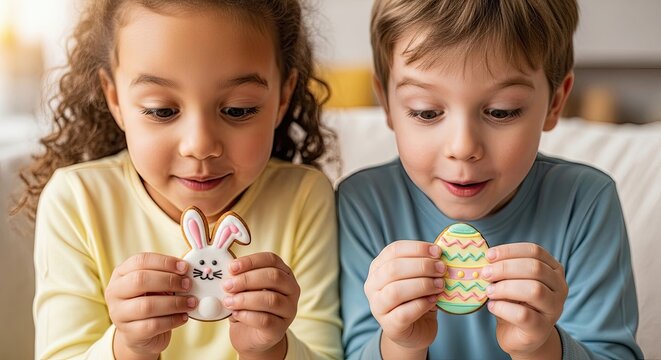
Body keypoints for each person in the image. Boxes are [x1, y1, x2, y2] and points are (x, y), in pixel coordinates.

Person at [19, 0, 342, 358]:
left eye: (238, 109)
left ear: (282, 96)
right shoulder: (76, 201)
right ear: (115, 99)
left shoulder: (304, 198)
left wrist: (270, 349)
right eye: (162, 110)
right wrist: (127, 347)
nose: (200, 146)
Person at [337, 0, 643, 359]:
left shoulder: (585, 202)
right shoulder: (364, 204)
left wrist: (540, 346)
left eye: (501, 111)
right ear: (387, 104)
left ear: (555, 102)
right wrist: (401, 344)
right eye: (426, 112)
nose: (463, 147)